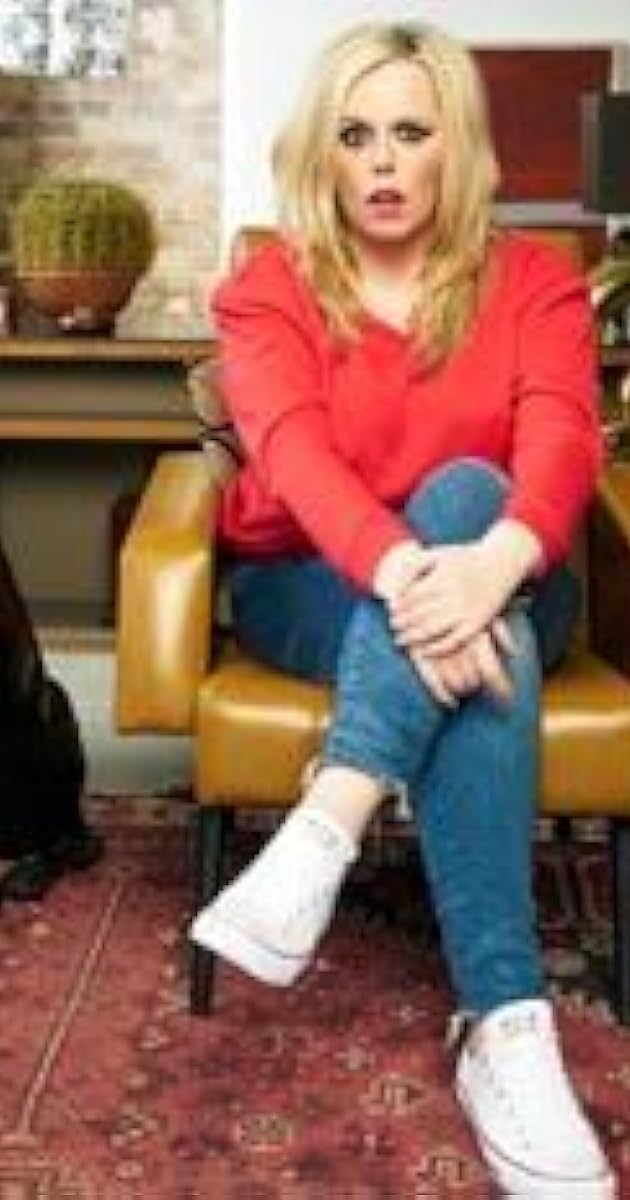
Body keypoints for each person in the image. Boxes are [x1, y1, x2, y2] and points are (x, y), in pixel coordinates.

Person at [190, 21, 616, 1197]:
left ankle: (327, 823)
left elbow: (563, 439)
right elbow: (292, 455)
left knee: (470, 494)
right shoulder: (268, 289)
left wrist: (492, 564)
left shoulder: (536, 282)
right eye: (355, 134)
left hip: (513, 572)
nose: (382, 162)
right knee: (473, 630)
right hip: (312, 581)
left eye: (411, 133)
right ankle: (506, 1022)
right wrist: (426, 580)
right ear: (321, 153)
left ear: (456, 148)